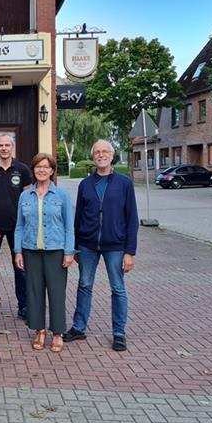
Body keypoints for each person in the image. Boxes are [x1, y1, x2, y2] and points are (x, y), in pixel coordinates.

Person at [63, 140, 139, 352]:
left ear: (112, 155)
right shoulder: (85, 184)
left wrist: (129, 252)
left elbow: (132, 218)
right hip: (87, 245)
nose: (101, 155)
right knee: (85, 285)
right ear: (93, 156)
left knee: (118, 288)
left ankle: (118, 332)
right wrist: (76, 246)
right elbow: (78, 218)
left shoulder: (124, 183)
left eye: (105, 151)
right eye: (97, 152)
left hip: (115, 245)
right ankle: (79, 327)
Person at [14, 153, 75, 353]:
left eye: (46, 167)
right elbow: (19, 226)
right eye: (38, 166)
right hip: (31, 251)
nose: (42, 170)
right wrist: (17, 251)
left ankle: (57, 333)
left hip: (56, 251)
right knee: (34, 293)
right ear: (33, 170)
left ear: (52, 170)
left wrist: (69, 252)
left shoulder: (62, 196)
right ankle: (39, 330)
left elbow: (69, 227)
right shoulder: (25, 195)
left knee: (57, 293)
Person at [0, 134, 32, 322]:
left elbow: (29, 198)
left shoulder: (23, 169)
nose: (4, 148)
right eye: (0, 145)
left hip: (18, 227)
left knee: (21, 267)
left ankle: (25, 306)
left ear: (13, 147)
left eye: (7, 145)